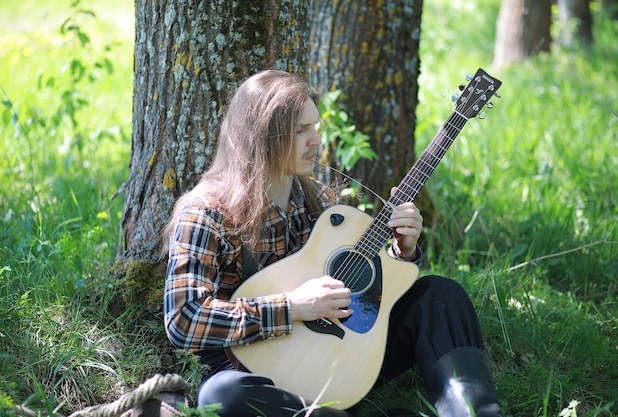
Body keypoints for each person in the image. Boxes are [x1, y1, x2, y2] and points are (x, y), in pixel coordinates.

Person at [163, 70, 502, 417]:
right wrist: (293, 307)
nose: (316, 141)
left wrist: (403, 250)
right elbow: (183, 320)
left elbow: (362, 292)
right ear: (262, 136)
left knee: (440, 296)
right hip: (253, 368)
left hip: (339, 355)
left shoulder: (320, 202)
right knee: (222, 396)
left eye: (315, 128)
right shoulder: (206, 213)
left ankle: (474, 412)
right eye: (300, 131)